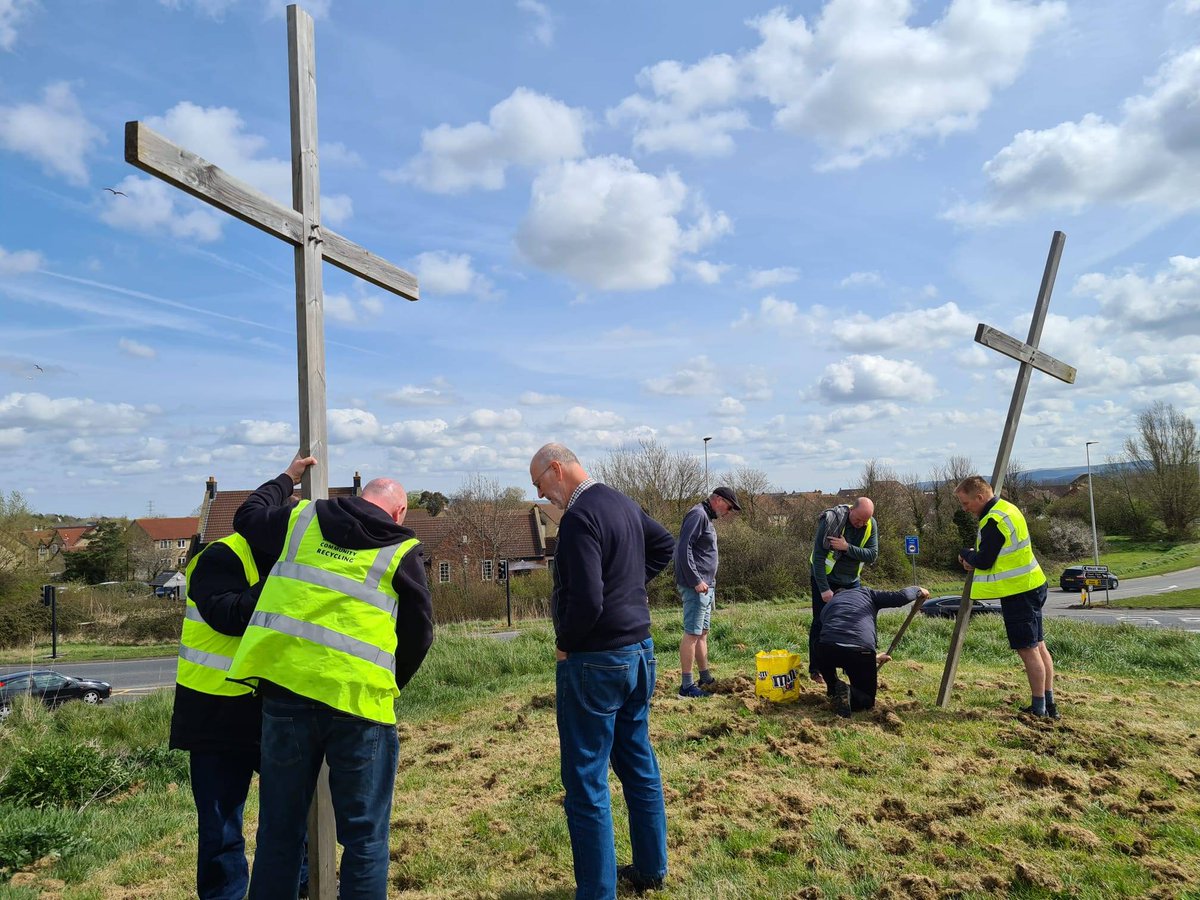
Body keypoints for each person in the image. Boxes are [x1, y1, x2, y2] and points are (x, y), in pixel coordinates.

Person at [227, 454, 434, 899]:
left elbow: (245, 517)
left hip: (286, 694)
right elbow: (420, 633)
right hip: (359, 705)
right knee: (364, 838)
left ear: (360, 497)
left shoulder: (302, 518)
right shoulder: (400, 550)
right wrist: (389, 682)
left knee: (280, 832)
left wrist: (288, 477)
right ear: (399, 513)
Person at [530, 443, 675, 899]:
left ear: (557, 468)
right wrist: (628, 587)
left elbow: (588, 599)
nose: (541, 495)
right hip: (640, 653)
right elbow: (663, 544)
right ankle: (652, 868)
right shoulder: (622, 502)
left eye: (539, 484)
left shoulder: (578, 518)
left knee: (586, 778)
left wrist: (565, 644)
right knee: (637, 759)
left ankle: (596, 892)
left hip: (595, 661)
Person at [169, 530, 308, 899]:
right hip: (216, 715)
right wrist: (285, 576)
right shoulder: (222, 557)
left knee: (293, 816)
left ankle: (301, 885)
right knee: (221, 825)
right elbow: (228, 615)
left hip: (276, 710)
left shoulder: (302, 557)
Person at [955, 475, 1058, 719]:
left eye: (966, 503)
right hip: (1032, 583)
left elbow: (985, 560)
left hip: (1018, 591)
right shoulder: (1007, 508)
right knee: (1039, 645)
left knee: (1028, 650)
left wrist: (966, 554)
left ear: (980, 497)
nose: (965, 509)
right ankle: (1048, 703)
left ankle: (1038, 708)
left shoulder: (993, 521)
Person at [813, 584, 929, 717]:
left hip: (827, 648)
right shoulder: (867, 593)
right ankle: (849, 693)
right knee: (867, 700)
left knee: (822, 648)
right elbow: (900, 597)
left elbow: (836, 638)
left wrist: (874, 658)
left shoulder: (829, 605)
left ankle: (834, 689)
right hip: (861, 652)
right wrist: (917, 590)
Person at [674, 486, 740, 698]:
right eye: (728, 507)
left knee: (702, 633)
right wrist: (696, 580)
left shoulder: (706, 518)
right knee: (692, 633)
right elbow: (683, 549)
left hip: (706, 585)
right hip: (697, 587)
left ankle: (705, 678)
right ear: (718, 500)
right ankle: (686, 686)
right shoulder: (697, 515)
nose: (727, 512)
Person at [809, 497, 877, 684]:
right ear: (850, 511)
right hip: (825, 579)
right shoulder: (831, 520)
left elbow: (872, 555)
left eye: (865, 521)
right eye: (858, 520)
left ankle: (850, 666)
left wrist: (847, 547)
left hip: (851, 581)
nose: (861, 524)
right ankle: (816, 669)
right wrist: (824, 589)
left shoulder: (871, 525)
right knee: (821, 623)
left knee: (852, 624)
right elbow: (819, 558)